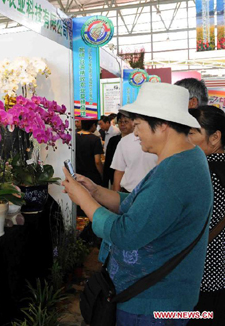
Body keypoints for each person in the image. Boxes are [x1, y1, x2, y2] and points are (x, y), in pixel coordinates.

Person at [63, 82, 213, 325]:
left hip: (152, 304)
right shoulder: (186, 158)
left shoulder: (173, 174)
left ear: (163, 125)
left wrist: (83, 200)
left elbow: (125, 233)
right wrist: (96, 191)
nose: (134, 132)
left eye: (139, 125)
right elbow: (141, 205)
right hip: (162, 296)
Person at [188, 106, 225, 325]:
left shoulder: (206, 172)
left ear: (215, 137)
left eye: (192, 133)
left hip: (203, 276)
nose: (185, 139)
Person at [110, 120, 158, 193]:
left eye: (126, 122)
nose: (123, 124)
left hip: (153, 192)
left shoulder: (161, 141)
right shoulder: (124, 141)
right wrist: (116, 195)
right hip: (129, 191)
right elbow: (119, 171)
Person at [102, 112, 134, 188]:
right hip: (115, 180)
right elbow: (108, 162)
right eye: (120, 122)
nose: (122, 124)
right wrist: (105, 183)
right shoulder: (113, 140)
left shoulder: (139, 141)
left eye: (126, 121)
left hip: (131, 182)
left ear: (133, 123)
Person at [76, 120, 103, 185]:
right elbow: (97, 162)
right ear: (93, 125)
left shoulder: (74, 137)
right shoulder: (95, 139)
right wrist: (102, 173)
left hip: (77, 174)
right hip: (92, 176)